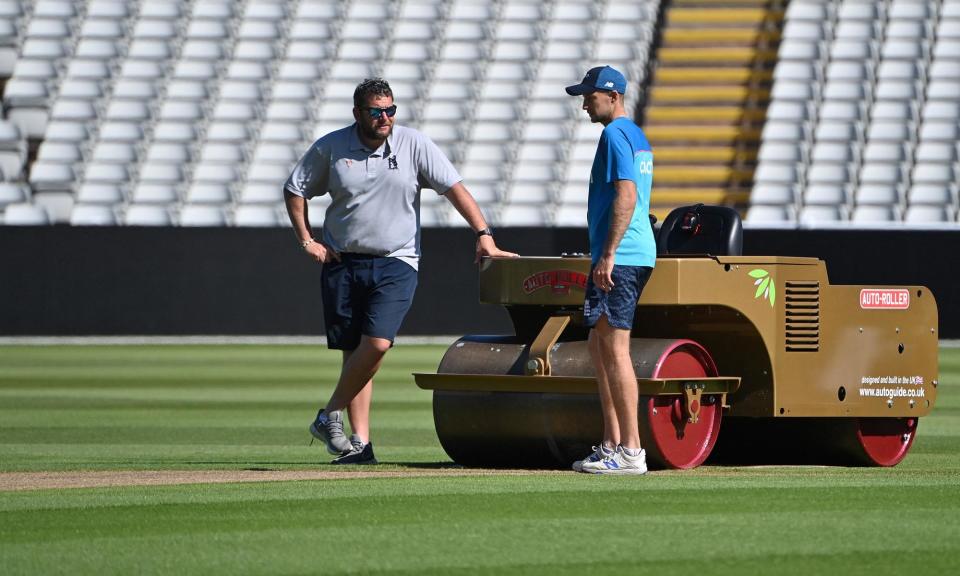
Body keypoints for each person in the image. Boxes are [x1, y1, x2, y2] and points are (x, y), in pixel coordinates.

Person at [283, 78, 517, 465]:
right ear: (358, 113)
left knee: (376, 344)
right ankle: (360, 444)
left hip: (397, 259)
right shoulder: (331, 146)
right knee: (356, 355)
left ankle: (328, 416)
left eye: (390, 110)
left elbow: (454, 187)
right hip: (343, 261)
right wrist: (307, 240)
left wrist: (483, 234)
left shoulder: (414, 144)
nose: (385, 118)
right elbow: (295, 189)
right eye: (377, 111)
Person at [565, 66, 656, 475]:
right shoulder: (634, 133)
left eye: (590, 95)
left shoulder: (615, 134)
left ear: (612, 95)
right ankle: (612, 443)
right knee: (599, 346)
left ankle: (631, 451)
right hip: (630, 253)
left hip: (623, 255)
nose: (584, 103)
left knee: (614, 350)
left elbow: (627, 193)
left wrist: (608, 254)